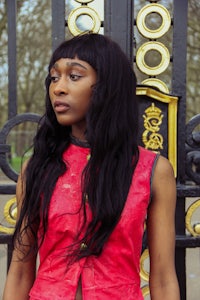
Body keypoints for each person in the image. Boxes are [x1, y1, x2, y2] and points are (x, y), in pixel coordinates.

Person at [3, 33, 180, 300]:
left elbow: (164, 278)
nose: (58, 88)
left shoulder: (153, 170)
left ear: (107, 86)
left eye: (74, 76)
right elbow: (19, 271)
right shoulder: (37, 167)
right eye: (54, 77)